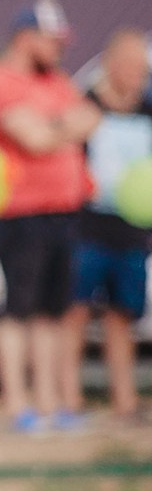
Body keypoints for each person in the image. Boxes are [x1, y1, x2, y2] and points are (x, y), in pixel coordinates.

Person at [0, 0, 96, 432]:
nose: (60, 48)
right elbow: (34, 139)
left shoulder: (56, 80)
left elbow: (87, 118)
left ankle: (50, 402)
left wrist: (53, 127)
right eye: (53, 39)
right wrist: (60, 128)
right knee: (19, 310)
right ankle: (17, 404)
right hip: (21, 212)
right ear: (26, 38)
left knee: (53, 313)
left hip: (63, 209)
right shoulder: (0, 82)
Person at [69, 28, 152, 422]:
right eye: (132, 66)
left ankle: (125, 400)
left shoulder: (148, 110)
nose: (139, 74)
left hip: (133, 230)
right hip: (89, 228)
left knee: (123, 317)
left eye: (143, 68)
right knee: (77, 313)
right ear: (111, 66)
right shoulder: (86, 108)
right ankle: (69, 398)